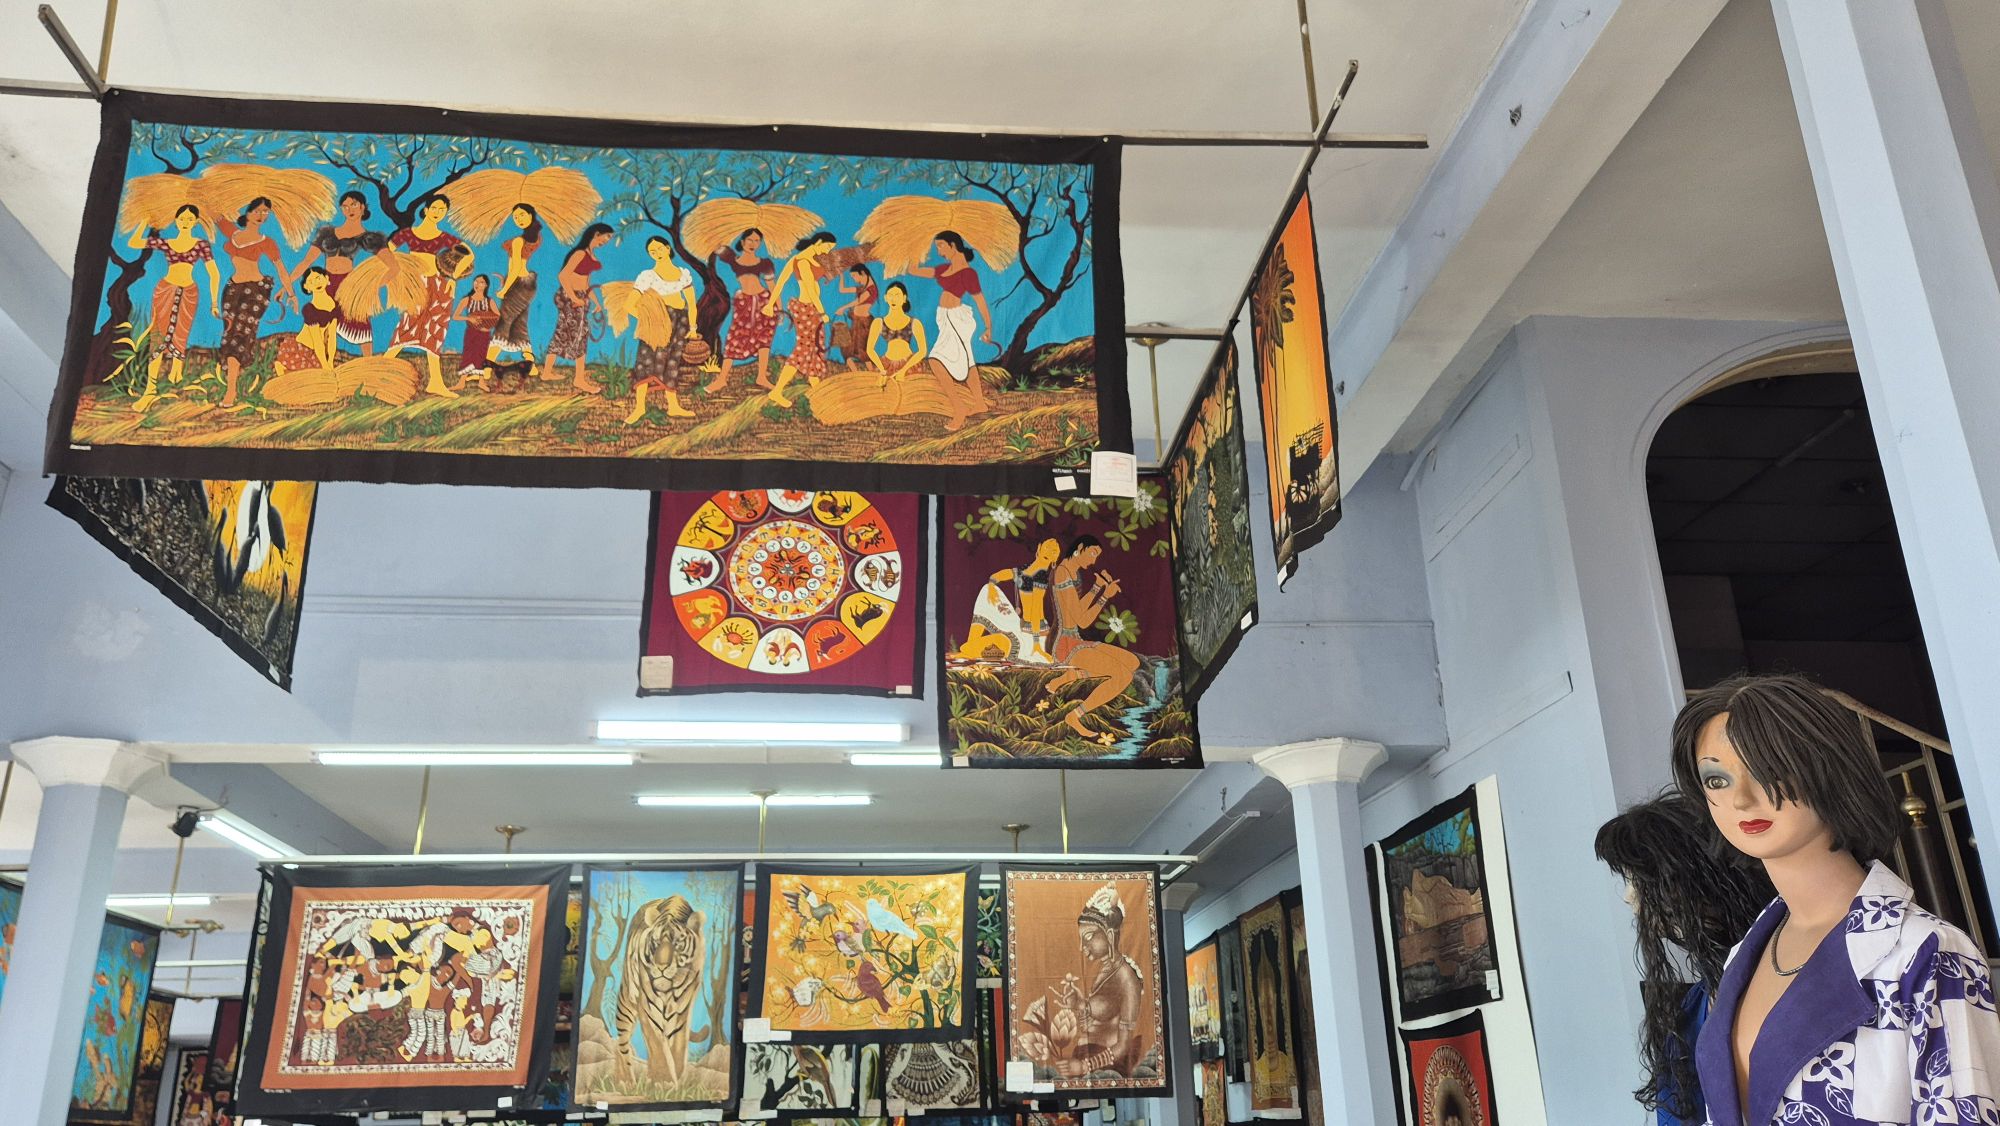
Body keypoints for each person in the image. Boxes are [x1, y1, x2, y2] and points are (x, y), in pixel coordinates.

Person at [1673, 674, 2000, 1125]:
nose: (1742, 799)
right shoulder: (1741, 958)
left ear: (1826, 767)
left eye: (1767, 768)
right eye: (1717, 779)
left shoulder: (1926, 953)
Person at [1595, 792, 1775, 1126]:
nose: (1629, 896)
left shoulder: (1788, 980)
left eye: (1641, 880)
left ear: (1704, 879)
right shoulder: (1690, 1013)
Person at [1040, 535, 1142, 743]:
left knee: (1133, 662)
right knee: (1123, 676)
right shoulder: (1062, 572)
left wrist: (1097, 588)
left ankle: (1069, 677)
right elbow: (1083, 620)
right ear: (1080, 547)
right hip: (1065, 645)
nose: (1094, 560)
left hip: (1075, 639)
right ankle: (1075, 715)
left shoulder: (1073, 572)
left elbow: (1078, 611)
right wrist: (1104, 596)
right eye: (1093, 553)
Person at [128, 203, 220, 413]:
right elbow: (134, 242)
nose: (186, 222)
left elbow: (214, 273)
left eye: (190, 219)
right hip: (165, 290)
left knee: (181, 334)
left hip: (189, 292)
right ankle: (150, 390)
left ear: (195, 222)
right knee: (157, 337)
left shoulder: (201, 244)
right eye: (182, 218)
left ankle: (175, 378)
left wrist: (214, 302)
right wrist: (145, 220)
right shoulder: (167, 243)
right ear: (176, 220)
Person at [1048, 884, 1145, 1078]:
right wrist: (1079, 1004)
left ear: (1108, 935)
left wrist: (1085, 1066)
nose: (1082, 947)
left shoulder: (1127, 978)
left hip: (1107, 1064)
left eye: (1088, 937)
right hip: (1085, 1056)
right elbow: (1096, 1023)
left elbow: (1124, 1045)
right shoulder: (1105, 970)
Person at [904, 230, 994, 428]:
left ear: (953, 245)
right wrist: (917, 248)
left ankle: (959, 408)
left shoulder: (968, 273)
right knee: (969, 362)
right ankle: (979, 403)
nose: (939, 251)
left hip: (957, 321)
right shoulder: (944, 269)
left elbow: (980, 301)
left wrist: (988, 326)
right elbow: (913, 270)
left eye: (941, 246)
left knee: (935, 360)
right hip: (945, 319)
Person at [384, 193, 470, 398]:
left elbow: (468, 254)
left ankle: (436, 383)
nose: (438, 213)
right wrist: (401, 271)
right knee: (407, 326)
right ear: (426, 210)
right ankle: (380, 372)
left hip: (439, 285)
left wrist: (453, 277)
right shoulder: (408, 234)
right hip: (417, 285)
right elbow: (387, 252)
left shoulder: (444, 237)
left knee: (435, 332)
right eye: (435, 208)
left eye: (442, 210)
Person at [213, 196, 290, 408]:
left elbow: (281, 268)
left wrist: (291, 293)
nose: (261, 215)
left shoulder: (267, 242)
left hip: (255, 292)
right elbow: (214, 213)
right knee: (229, 335)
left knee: (240, 335)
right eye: (257, 210)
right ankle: (234, 382)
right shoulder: (232, 233)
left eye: (266, 212)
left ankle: (231, 391)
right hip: (232, 291)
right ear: (247, 213)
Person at [295, 190, 390, 357]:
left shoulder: (368, 237)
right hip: (324, 284)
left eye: (354, 204)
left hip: (349, 285)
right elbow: (306, 262)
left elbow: (393, 267)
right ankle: (322, 363)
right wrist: (287, 284)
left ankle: (369, 363)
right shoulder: (327, 233)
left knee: (360, 322)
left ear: (363, 207)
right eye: (345, 206)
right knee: (321, 323)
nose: (349, 209)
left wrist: (371, 286)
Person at [624, 235, 703, 424]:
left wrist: (693, 327)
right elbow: (629, 305)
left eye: (660, 248)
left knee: (673, 361)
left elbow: (692, 304)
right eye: (652, 251)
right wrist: (650, 320)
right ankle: (640, 408)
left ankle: (673, 406)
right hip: (657, 324)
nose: (657, 253)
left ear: (668, 248)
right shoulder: (647, 276)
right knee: (645, 362)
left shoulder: (683, 274)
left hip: (680, 321)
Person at [762, 231, 838, 409]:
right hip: (807, 310)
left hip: (811, 310)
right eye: (827, 246)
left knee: (814, 349)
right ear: (819, 242)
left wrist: (770, 304)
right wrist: (822, 312)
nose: (827, 250)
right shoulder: (802, 261)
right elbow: (808, 288)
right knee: (803, 349)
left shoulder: (810, 259)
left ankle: (816, 390)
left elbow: (782, 282)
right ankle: (777, 391)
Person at [957, 535, 1059, 662]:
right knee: (986, 590)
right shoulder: (1023, 570)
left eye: (1054, 551)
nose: (1050, 552)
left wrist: (1037, 645)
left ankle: (971, 650)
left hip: (1035, 635)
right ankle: (970, 645)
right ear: (1039, 548)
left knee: (997, 644)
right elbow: (1001, 575)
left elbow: (1035, 610)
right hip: (1020, 626)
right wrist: (992, 584)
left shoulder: (1041, 577)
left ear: (1055, 558)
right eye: (1048, 547)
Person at [543, 222, 612, 393]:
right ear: (597, 233)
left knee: (564, 332)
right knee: (579, 333)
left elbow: (586, 284)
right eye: (607, 237)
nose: (607, 241)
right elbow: (563, 276)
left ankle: (547, 372)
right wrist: (574, 298)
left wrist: (596, 302)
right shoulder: (580, 253)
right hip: (570, 297)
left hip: (580, 297)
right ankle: (579, 379)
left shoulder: (589, 254)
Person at [718, 227, 779, 390]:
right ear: (743, 241)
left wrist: (778, 309)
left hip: (764, 302)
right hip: (743, 303)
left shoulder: (765, 263)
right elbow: (716, 245)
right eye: (750, 240)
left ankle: (761, 377)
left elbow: (773, 288)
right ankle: (722, 379)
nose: (753, 244)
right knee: (734, 338)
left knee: (764, 340)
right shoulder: (732, 259)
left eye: (757, 241)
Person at [488, 204, 544, 364]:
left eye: (522, 215)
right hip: (529, 285)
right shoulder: (536, 238)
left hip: (517, 284)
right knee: (519, 326)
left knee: (503, 322)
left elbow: (515, 269)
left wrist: (504, 289)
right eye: (515, 217)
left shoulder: (519, 241)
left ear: (531, 215)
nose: (519, 219)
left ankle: (486, 366)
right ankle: (531, 365)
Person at [273, 267, 339, 374]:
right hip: (301, 349)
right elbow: (317, 340)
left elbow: (332, 337)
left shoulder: (334, 305)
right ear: (307, 287)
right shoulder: (309, 309)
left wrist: (330, 361)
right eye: (311, 281)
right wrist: (325, 364)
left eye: (318, 278)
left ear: (326, 278)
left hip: (315, 353)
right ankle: (283, 368)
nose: (316, 283)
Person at [451, 273, 498, 383]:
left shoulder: (489, 301)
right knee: (468, 354)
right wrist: (469, 318)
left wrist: (488, 324)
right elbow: (455, 316)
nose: (477, 284)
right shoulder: (467, 300)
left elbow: (498, 317)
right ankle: (461, 382)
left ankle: (481, 383)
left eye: (481, 282)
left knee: (482, 356)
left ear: (486, 285)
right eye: (476, 281)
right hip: (471, 332)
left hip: (484, 334)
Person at [830, 262, 878, 364]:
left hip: (863, 324)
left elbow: (858, 301)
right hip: (856, 321)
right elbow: (842, 290)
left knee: (861, 350)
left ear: (863, 273)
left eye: (855, 276)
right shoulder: (862, 288)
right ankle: (855, 372)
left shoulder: (872, 289)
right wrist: (841, 275)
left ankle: (870, 372)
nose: (854, 279)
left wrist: (843, 308)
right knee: (848, 348)